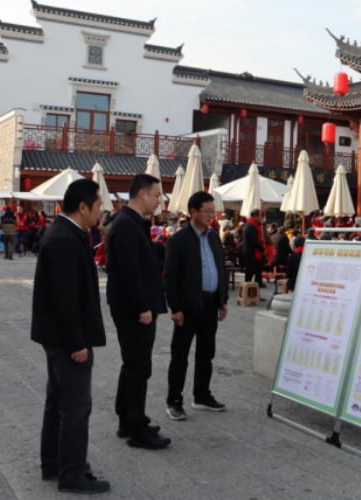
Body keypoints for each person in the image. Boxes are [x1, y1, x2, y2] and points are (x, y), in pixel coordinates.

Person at [31, 179, 111, 494]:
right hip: (67, 339)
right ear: (82, 207)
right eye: (98, 205)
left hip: (57, 335)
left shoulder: (65, 232)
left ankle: (53, 463)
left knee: (57, 401)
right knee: (76, 406)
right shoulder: (65, 237)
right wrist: (77, 342)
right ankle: (72, 473)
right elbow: (65, 298)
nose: (101, 211)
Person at [106, 174, 171, 450]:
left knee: (132, 364)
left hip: (140, 306)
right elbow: (128, 271)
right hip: (133, 309)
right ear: (142, 194)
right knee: (139, 367)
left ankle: (127, 419)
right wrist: (143, 306)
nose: (160, 201)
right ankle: (137, 428)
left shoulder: (135, 223)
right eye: (157, 195)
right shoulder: (126, 225)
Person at [164, 191, 229, 420]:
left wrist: (223, 300)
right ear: (193, 212)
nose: (212, 215)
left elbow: (220, 268)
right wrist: (175, 307)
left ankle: (201, 396)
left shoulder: (213, 237)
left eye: (213, 211)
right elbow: (170, 276)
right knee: (180, 354)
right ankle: (174, 400)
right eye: (207, 211)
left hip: (211, 304)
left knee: (206, 352)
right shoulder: (179, 239)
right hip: (188, 306)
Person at [242, 208, 267, 293]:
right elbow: (254, 241)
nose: (261, 218)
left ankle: (248, 293)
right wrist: (262, 249)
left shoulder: (249, 224)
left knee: (249, 273)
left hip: (248, 251)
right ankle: (254, 294)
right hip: (252, 252)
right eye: (260, 216)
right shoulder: (252, 226)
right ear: (255, 216)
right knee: (257, 272)